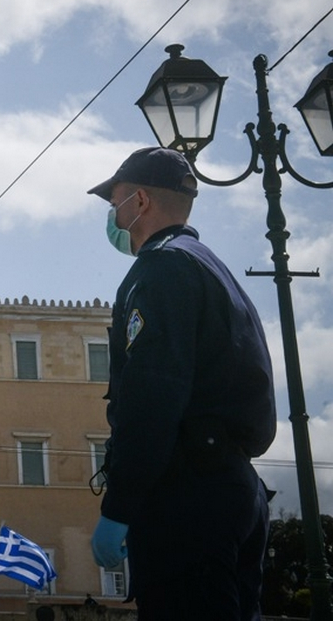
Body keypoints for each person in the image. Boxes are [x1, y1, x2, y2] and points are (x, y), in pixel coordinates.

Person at [87, 146, 276, 619]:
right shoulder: (211, 267)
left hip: (188, 495)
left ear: (141, 203)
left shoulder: (160, 268)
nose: (113, 215)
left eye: (115, 203)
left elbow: (152, 394)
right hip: (233, 486)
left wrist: (120, 507)